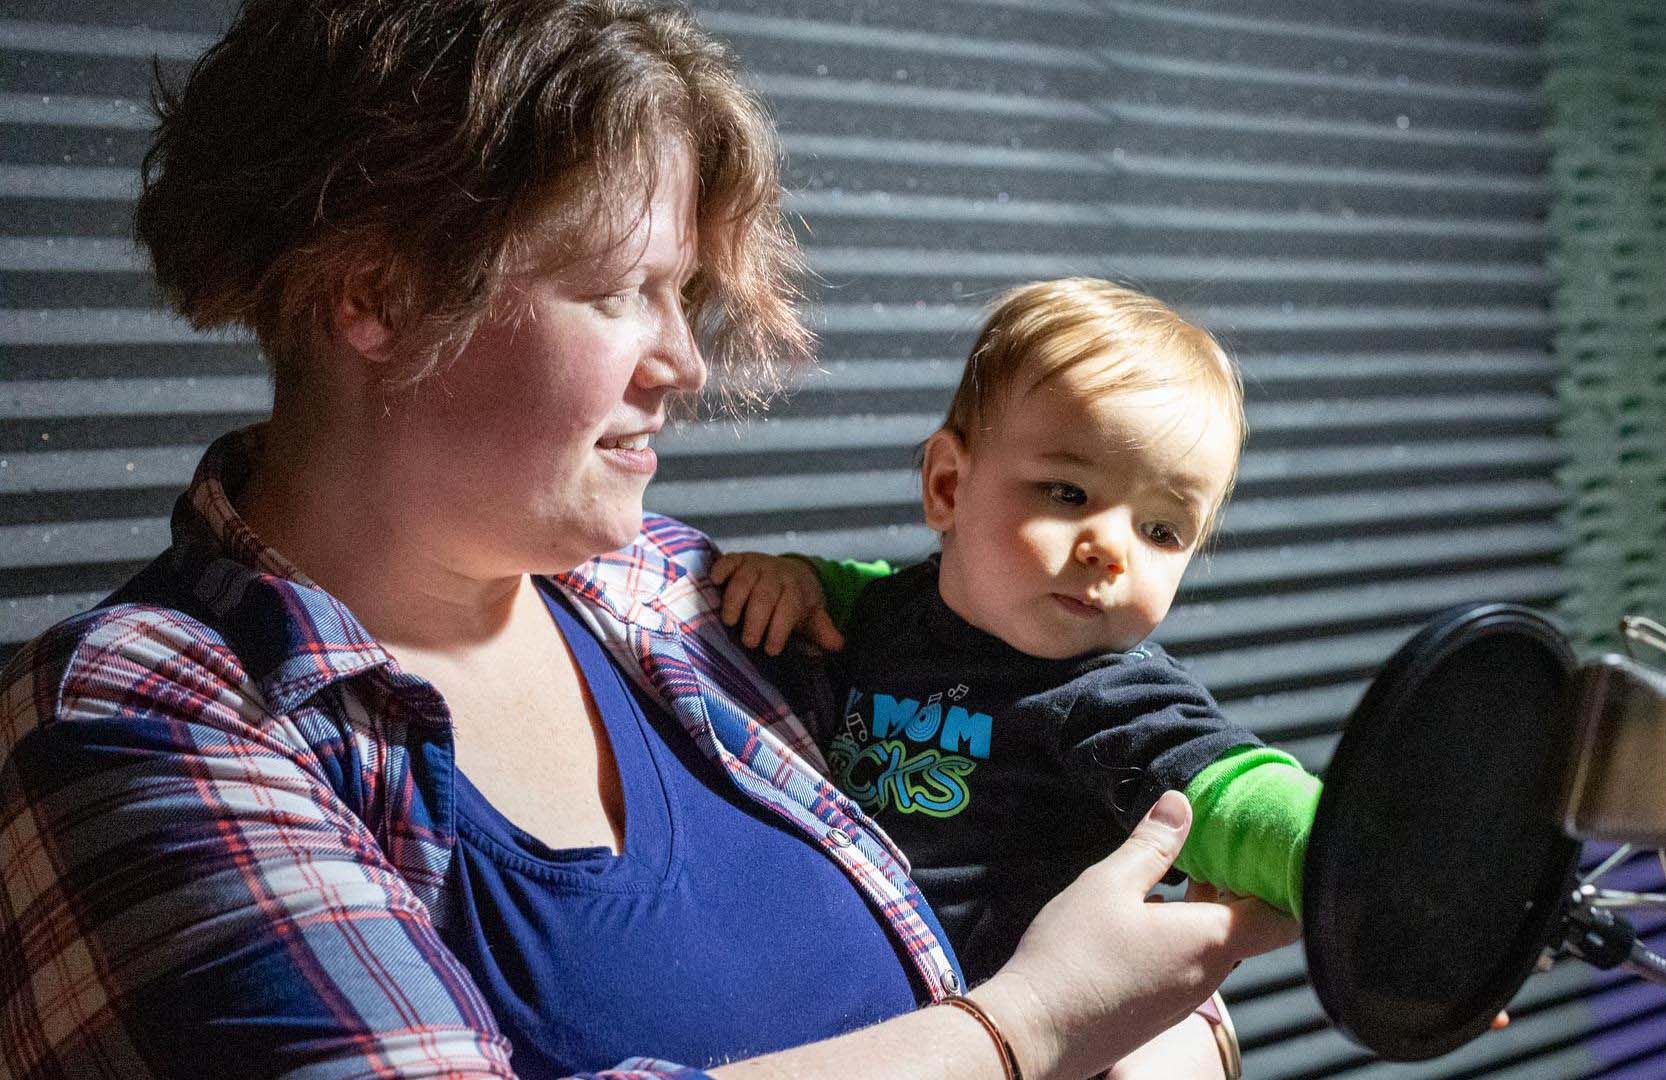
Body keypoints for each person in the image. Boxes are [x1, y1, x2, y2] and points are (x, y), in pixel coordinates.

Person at [0, 3, 1296, 1078]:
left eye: (683, 294)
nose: (680, 360)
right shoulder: (143, 717)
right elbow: (1039, 1005)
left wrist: (1174, 1026)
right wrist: (1025, 1032)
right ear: (378, 293)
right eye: (619, 290)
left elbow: (1021, 848)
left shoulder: (674, 598)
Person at [711, 279, 1323, 981]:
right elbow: (857, 587)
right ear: (947, 486)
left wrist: (1376, 875)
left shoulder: (1112, 697)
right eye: (1068, 494)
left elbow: (1232, 793)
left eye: (1161, 529)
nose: (1111, 549)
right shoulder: (888, 610)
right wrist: (795, 578)